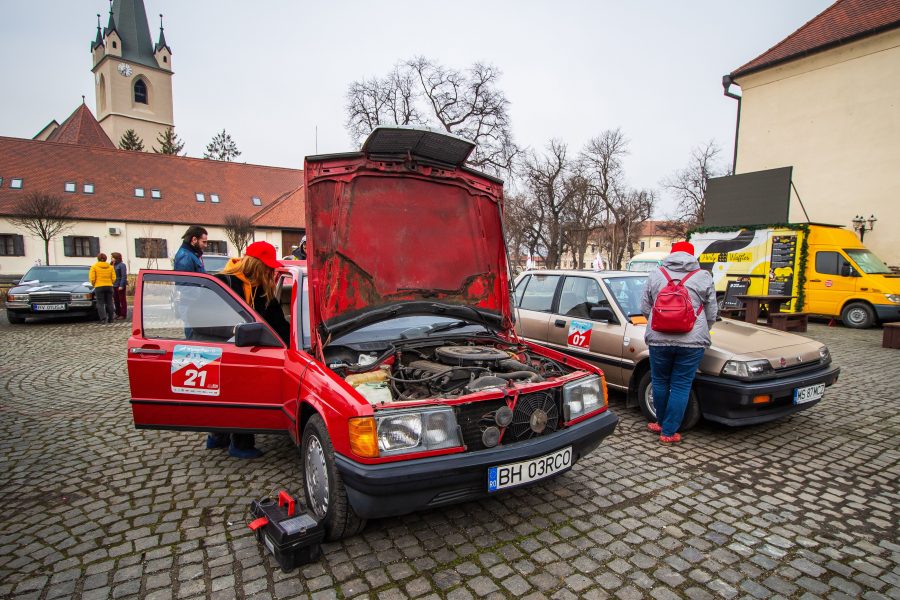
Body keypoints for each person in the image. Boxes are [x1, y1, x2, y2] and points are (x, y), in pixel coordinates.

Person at [211, 241, 289, 459]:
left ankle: (217, 436)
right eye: (268, 267)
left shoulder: (263, 289)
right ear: (255, 264)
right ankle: (240, 444)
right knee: (235, 394)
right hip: (222, 348)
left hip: (248, 349)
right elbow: (197, 316)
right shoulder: (222, 282)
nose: (271, 271)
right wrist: (231, 331)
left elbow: (278, 323)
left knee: (229, 395)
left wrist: (295, 343)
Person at [640, 241, 717, 443]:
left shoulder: (657, 274)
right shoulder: (703, 276)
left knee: (659, 381)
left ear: (671, 254)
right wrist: (702, 328)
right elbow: (712, 312)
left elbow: (645, 307)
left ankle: (660, 422)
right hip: (692, 342)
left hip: (658, 340)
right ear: (693, 256)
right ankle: (669, 431)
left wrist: (661, 322)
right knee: (681, 385)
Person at [89, 253, 116, 324]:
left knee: (100, 303)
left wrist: (94, 284)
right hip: (109, 286)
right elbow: (114, 278)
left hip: (99, 286)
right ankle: (111, 318)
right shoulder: (110, 267)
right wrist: (110, 283)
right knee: (110, 302)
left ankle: (103, 318)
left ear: (98, 259)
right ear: (106, 259)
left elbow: (92, 278)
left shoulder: (94, 267)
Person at [110, 252, 128, 319]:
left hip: (120, 284)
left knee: (122, 300)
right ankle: (118, 313)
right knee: (116, 300)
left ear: (116, 258)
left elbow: (123, 276)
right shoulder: (111, 265)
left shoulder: (122, 265)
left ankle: (123, 314)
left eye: (112, 257)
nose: (111, 258)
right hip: (113, 284)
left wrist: (121, 285)